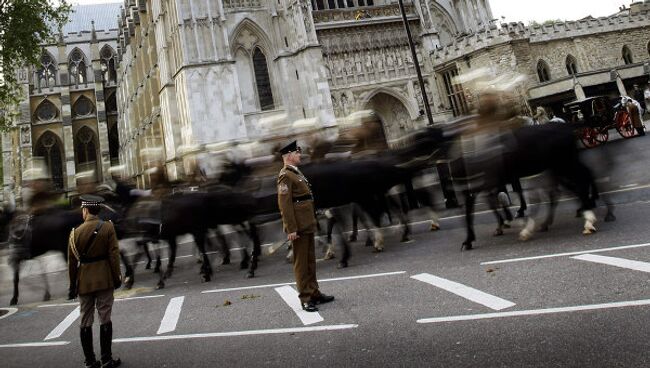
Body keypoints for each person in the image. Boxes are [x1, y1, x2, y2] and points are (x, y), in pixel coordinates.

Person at [276, 140, 334, 312]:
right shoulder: (285, 175)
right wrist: (291, 228)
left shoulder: (296, 172)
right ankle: (305, 298)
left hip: (307, 223)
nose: (300, 155)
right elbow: (285, 205)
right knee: (301, 263)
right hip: (298, 227)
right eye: (297, 153)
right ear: (289, 156)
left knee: (310, 261)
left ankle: (314, 292)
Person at [68, 194, 122, 368]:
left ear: (85, 210)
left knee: (85, 320)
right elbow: (114, 256)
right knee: (105, 317)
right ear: (98, 210)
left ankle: (90, 361)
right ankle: (106, 359)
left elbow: (72, 264)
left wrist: (72, 285)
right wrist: (117, 277)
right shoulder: (108, 228)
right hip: (105, 279)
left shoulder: (74, 233)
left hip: (84, 282)